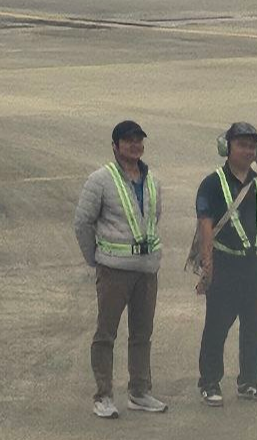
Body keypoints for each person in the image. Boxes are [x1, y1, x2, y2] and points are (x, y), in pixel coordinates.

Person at [73, 120, 167, 419]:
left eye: (138, 140)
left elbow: (153, 219)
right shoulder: (100, 180)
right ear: (115, 146)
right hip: (113, 270)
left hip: (146, 270)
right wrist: (95, 258)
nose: (135, 145)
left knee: (142, 334)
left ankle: (139, 392)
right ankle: (103, 395)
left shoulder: (152, 181)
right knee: (106, 334)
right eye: (128, 140)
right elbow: (82, 222)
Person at [195, 122, 257, 406]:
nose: (248, 150)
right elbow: (205, 227)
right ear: (227, 147)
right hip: (225, 264)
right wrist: (207, 267)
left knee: (256, 327)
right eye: (242, 144)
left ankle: (249, 381)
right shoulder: (212, 183)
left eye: (252, 146)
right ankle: (209, 382)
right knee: (217, 326)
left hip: (256, 266)